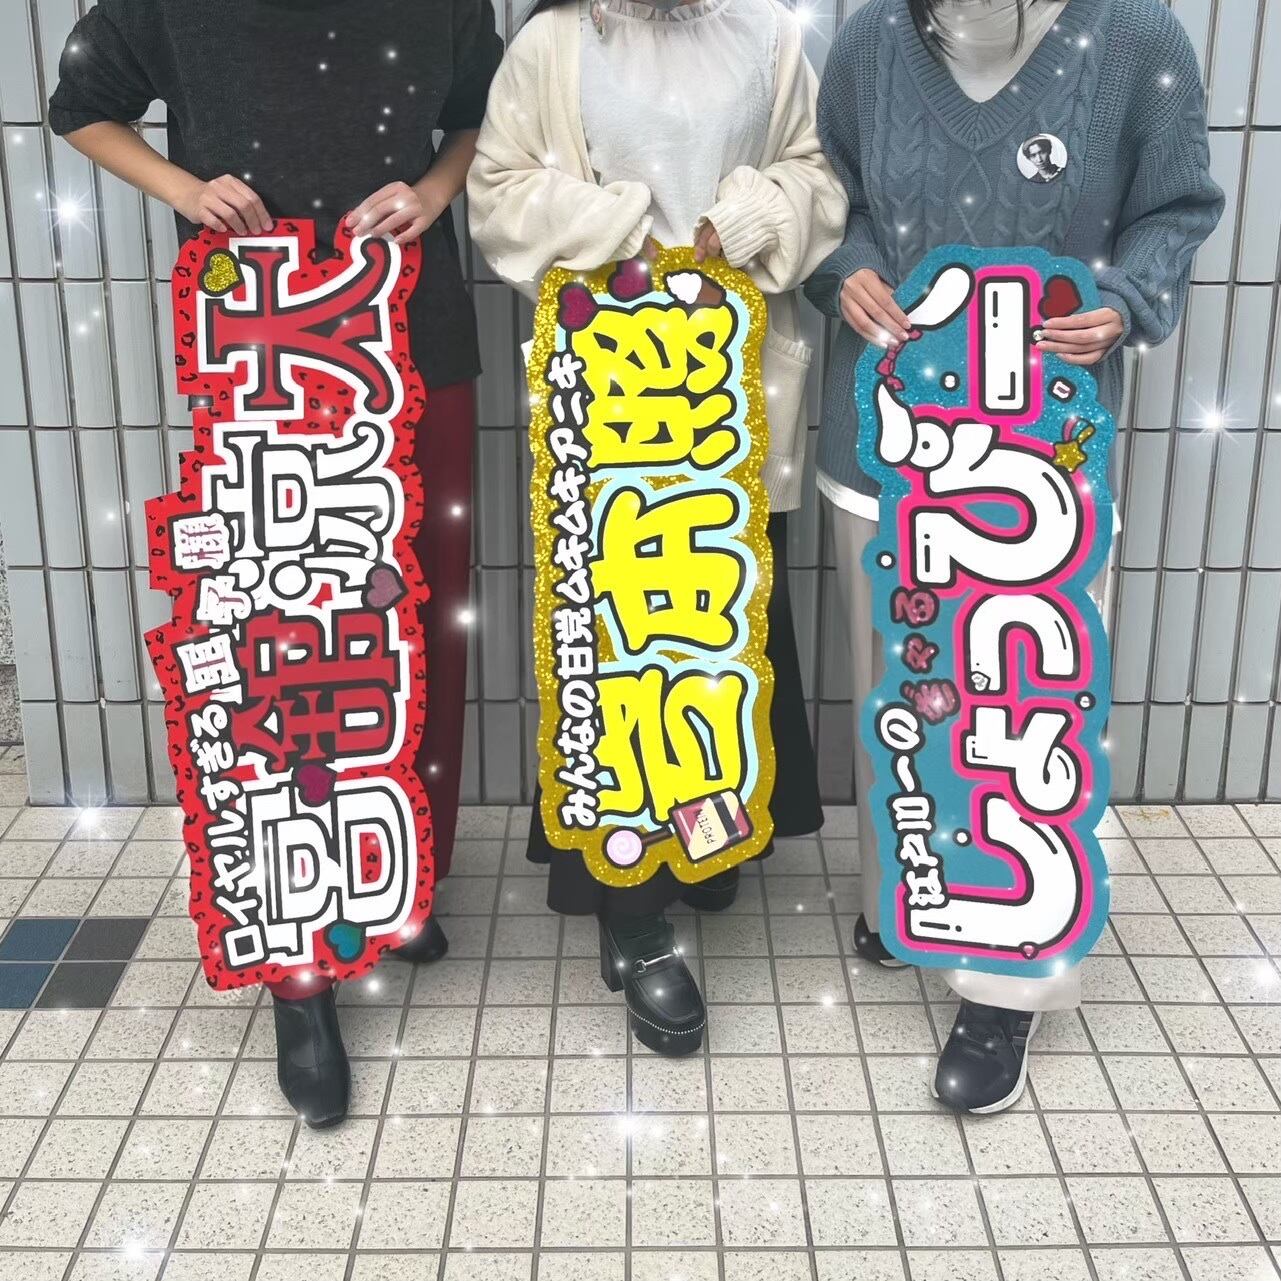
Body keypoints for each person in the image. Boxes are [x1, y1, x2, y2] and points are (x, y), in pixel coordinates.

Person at [48, 0, 503, 1129]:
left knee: (418, 619)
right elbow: (81, 107)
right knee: (279, 637)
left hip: (412, 333)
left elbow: (479, 115)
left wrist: (434, 192)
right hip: (258, 358)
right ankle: (299, 969)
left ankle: (400, 880)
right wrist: (181, 189)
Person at [805, 0, 1223, 1113]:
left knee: (1021, 699)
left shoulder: (1137, 39)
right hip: (889, 436)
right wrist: (844, 268)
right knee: (901, 688)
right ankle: (905, 893)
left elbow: (1177, 207)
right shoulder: (871, 39)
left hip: (1043, 457)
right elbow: (828, 192)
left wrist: (1126, 301)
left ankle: (1007, 984)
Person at [468, 0, 846, 1057]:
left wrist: (750, 221)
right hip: (611, 406)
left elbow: (818, 173)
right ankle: (632, 920)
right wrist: (625, 224)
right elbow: (497, 191)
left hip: (725, 402)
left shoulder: (766, 34)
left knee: (718, 627)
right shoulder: (553, 43)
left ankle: (704, 847)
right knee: (621, 646)